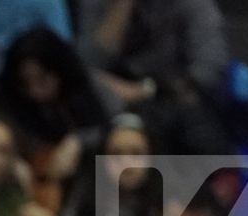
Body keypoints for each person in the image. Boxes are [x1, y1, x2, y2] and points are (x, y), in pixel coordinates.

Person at [78, 0, 231, 155]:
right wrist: (122, 5)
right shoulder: (96, 3)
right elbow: (86, 64)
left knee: (199, 131)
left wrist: (147, 90)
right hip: (112, 96)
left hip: (172, 94)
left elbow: (211, 65)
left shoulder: (194, 4)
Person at [0, 29, 108, 216]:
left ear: (60, 70)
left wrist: (80, 141)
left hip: (92, 191)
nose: (35, 91)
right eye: (26, 83)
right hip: (33, 201)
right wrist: (11, 160)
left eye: (42, 79)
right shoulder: (11, 103)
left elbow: (120, 129)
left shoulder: (90, 90)